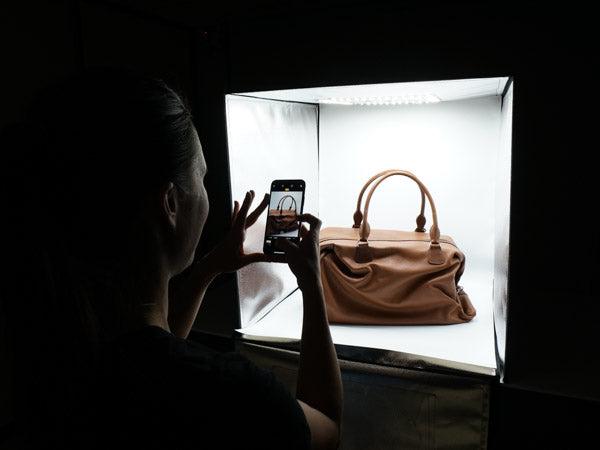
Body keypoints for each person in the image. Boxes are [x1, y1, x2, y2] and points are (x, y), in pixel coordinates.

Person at [0, 69, 342, 449]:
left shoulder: (54, 358)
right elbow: (325, 424)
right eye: (202, 179)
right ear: (170, 204)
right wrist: (311, 284)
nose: (206, 196)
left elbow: (154, 350)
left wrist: (210, 267)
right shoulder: (233, 395)